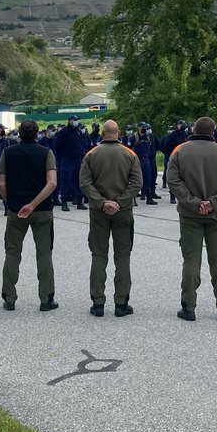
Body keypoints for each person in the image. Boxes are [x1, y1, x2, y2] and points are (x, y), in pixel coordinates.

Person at [166, 117, 217, 322]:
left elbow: (172, 180)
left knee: (191, 259)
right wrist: (214, 202)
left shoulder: (180, 151)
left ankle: (188, 307)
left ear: (194, 129)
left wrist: (193, 202)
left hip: (190, 215)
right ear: (214, 132)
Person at [79, 120, 143, 317]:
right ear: (118, 133)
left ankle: (98, 303)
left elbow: (85, 183)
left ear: (103, 133)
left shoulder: (91, 155)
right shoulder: (129, 154)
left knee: (99, 255)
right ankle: (121, 303)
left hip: (99, 212)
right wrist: (120, 202)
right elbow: (137, 182)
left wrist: (101, 202)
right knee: (122, 256)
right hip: (123, 212)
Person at [0, 119, 59, 312]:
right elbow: (52, 182)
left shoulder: (7, 153)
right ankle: (46, 298)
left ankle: (9, 297)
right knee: (44, 254)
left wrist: (13, 203)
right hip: (41, 210)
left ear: (20, 134)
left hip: (16, 210)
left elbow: (1, 183)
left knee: (12, 253)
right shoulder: (46, 153)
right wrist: (33, 204)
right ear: (36, 134)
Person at [54, 116, 87, 211]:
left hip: (77, 159)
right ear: (69, 121)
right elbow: (57, 147)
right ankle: (64, 202)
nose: (76, 122)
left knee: (78, 180)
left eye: (77, 120)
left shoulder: (78, 132)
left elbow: (80, 144)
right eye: (75, 120)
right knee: (65, 180)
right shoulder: (63, 132)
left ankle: (79, 201)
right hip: (67, 159)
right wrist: (61, 157)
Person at [134, 123, 158, 204]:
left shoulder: (148, 137)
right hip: (136, 160)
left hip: (146, 160)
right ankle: (133, 199)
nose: (145, 129)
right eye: (143, 127)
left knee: (148, 179)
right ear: (139, 128)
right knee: (135, 179)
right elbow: (128, 148)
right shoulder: (135, 137)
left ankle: (148, 198)